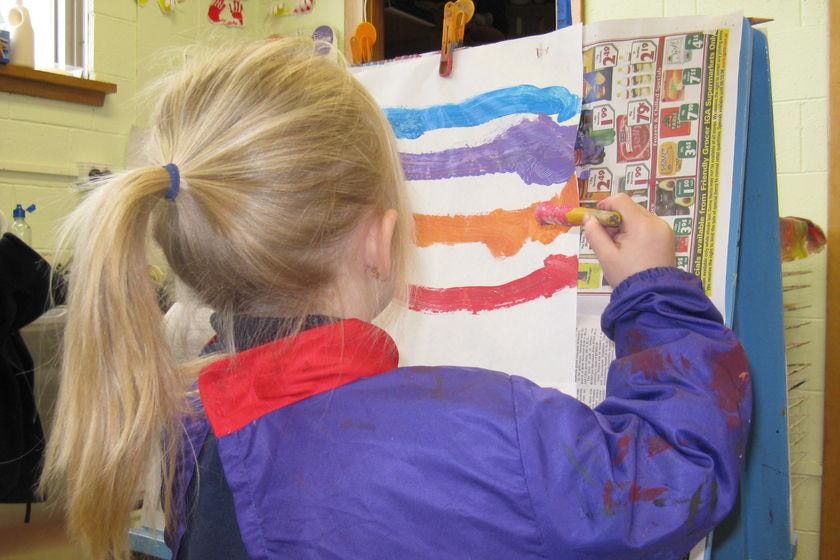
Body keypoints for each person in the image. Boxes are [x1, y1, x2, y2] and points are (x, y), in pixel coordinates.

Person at [40, 38, 751, 560]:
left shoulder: (197, 442)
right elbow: (670, 477)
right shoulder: (481, 431)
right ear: (378, 241)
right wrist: (654, 293)